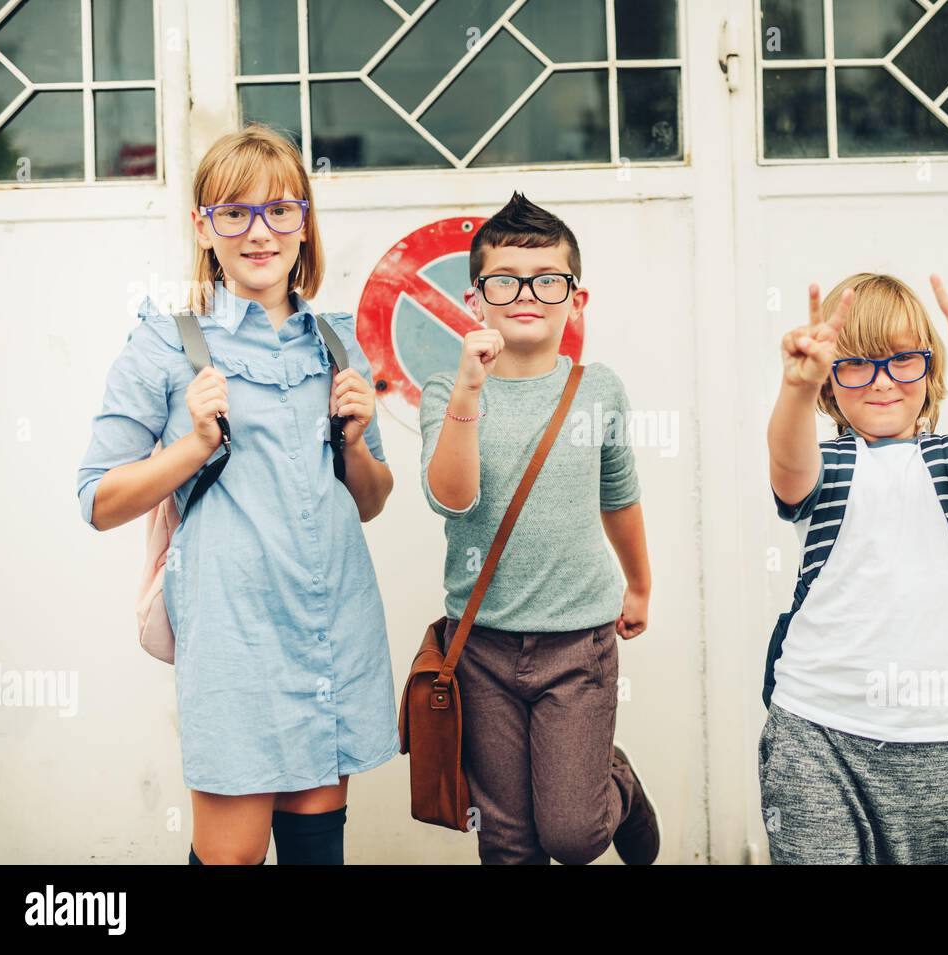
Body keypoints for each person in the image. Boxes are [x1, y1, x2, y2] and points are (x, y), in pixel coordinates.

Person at [76, 124, 398, 864]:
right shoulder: (167, 341)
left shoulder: (337, 341)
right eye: (234, 213)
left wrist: (354, 439)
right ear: (204, 226)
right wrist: (193, 445)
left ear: (304, 221)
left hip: (330, 625)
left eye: (280, 210)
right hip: (235, 640)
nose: (260, 232)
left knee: (316, 855)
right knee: (231, 858)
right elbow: (97, 500)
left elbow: (372, 500)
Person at [418, 192, 660, 864]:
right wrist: (469, 390)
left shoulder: (597, 388)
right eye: (506, 281)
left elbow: (621, 495)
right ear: (476, 300)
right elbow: (451, 497)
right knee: (509, 838)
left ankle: (618, 785)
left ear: (575, 300)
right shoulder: (447, 389)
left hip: (578, 642)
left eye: (548, 280)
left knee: (572, 833)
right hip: (482, 644)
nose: (527, 293)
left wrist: (639, 584)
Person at [761, 267, 948, 863]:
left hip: (927, 739)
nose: (881, 382)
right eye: (856, 364)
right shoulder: (826, 466)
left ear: (930, 369)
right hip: (812, 728)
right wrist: (795, 389)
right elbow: (787, 461)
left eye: (903, 360)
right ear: (831, 381)